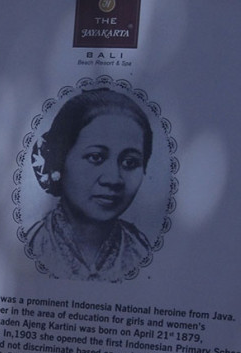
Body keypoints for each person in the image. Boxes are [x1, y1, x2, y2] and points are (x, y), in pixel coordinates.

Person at [25, 87, 153, 282]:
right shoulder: (34, 245)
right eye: (96, 157)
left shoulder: (141, 252)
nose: (113, 179)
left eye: (129, 163)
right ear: (61, 159)